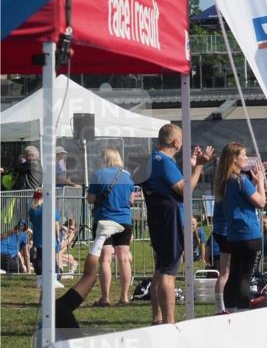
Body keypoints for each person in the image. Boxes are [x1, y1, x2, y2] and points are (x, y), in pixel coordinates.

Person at [139, 123, 213, 325]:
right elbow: (185, 189)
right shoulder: (163, 161)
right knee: (168, 271)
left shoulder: (154, 160)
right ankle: (169, 321)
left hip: (160, 218)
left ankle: (158, 318)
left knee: (160, 268)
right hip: (169, 220)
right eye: (181, 138)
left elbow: (173, 184)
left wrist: (191, 165)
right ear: (175, 141)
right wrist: (199, 166)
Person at [53, 217, 129, 330]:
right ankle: (101, 236)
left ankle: (101, 237)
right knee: (90, 277)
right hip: (58, 314)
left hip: (57, 314)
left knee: (89, 277)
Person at [217, 141, 266, 311]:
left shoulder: (226, 181)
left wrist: (253, 182)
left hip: (234, 235)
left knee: (234, 275)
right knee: (246, 276)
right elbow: (261, 202)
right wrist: (260, 181)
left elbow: (243, 198)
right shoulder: (240, 179)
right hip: (249, 235)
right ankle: (244, 310)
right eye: (243, 155)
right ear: (234, 159)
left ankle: (230, 309)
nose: (246, 158)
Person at [88, 147, 136, 306]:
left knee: (105, 259)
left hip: (104, 220)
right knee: (124, 259)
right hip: (124, 221)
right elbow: (131, 201)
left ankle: (105, 298)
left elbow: (90, 198)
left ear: (105, 158)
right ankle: (124, 297)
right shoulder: (128, 177)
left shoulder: (97, 175)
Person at [28, 190, 63, 287]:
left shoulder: (33, 209)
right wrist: (58, 236)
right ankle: (54, 279)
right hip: (50, 238)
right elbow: (56, 223)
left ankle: (40, 279)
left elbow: (32, 221)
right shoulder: (52, 209)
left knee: (39, 258)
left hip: (39, 238)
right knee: (52, 259)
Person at [209, 184, 231, 314]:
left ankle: (220, 307)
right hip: (227, 231)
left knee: (224, 272)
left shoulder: (221, 183)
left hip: (221, 230)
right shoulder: (230, 184)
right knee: (226, 273)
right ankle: (222, 307)